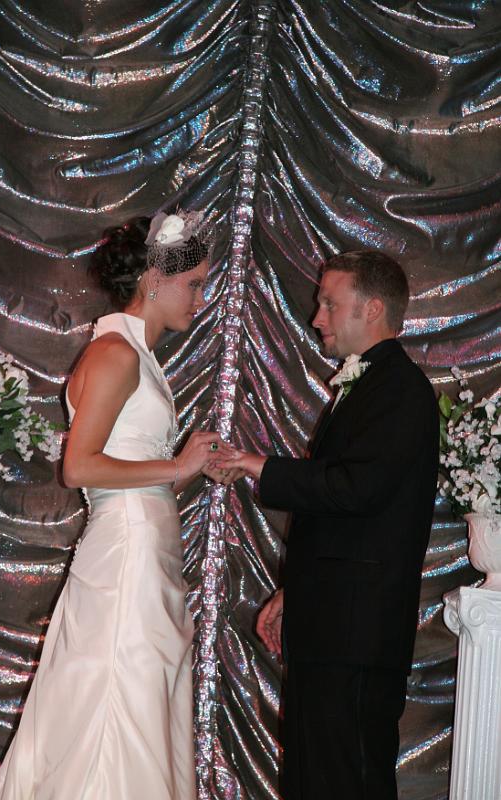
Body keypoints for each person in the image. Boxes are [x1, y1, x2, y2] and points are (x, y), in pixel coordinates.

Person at [0, 210, 234, 800]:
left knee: (134, 701)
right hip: (126, 561)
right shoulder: (116, 354)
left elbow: (126, 475)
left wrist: (186, 469)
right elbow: (79, 467)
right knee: (118, 705)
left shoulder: (136, 354)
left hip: (144, 555)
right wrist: (176, 467)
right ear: (155, 278)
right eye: (195, 284)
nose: (201, 298)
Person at [215, 251, 439, 799]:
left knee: (347, 783)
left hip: (356, 637)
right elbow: (348, 519)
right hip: (334, 628)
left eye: (329, 304)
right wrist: (294, 590)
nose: (316, 317)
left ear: (373, 309)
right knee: (315, 781)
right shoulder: (371, 385)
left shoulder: (401, 390)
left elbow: (355, 488)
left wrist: (258, 465)